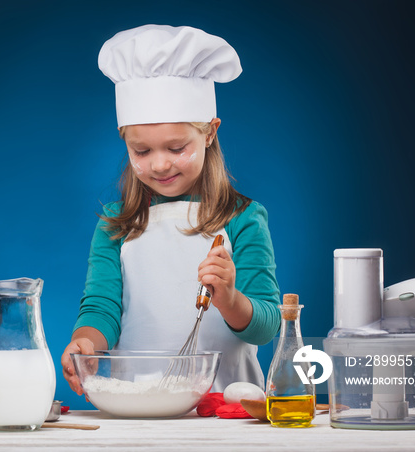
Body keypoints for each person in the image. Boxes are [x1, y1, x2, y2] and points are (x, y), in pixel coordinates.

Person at [61, 24, 281, 395]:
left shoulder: (242, 219)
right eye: (142, 151)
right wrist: (86, 341)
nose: (160, 164)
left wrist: (229, 300)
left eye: (177, 148)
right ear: (125, 142)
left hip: (227, 413)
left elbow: (267, 326)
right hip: (138, 405)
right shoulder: (117, 225)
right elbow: (102, 307)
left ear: (209, 132)